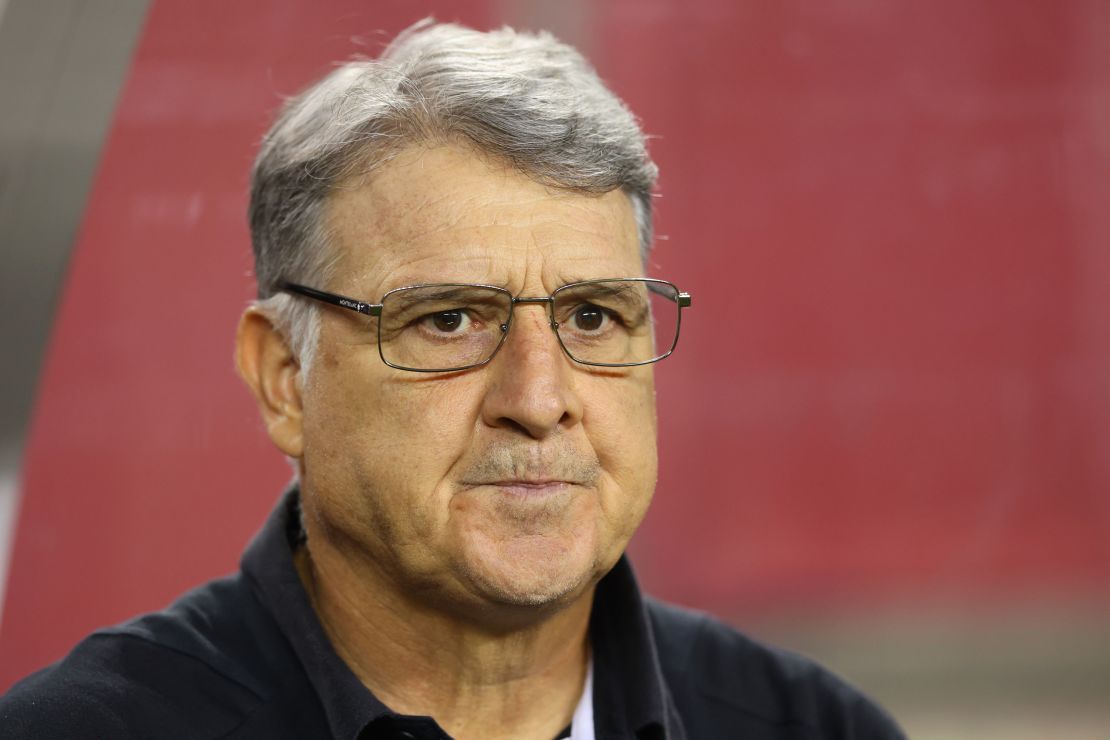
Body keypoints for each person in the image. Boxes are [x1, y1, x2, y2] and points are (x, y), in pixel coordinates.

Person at [1, 21, 904, 739]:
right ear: (284, 379)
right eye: (449, 320)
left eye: (593, 316)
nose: (541, 400)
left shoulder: (814, 726)